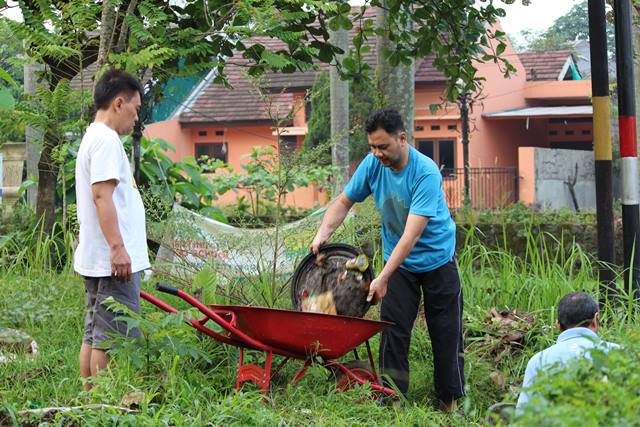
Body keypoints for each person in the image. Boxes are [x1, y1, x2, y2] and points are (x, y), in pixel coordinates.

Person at [311, 108, 464, 411]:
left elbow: (411, 235)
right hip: (401, 264)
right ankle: (391, 397)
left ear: (402, 138)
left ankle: (449, 401)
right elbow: (344, 202)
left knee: (445, 331)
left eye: (383, 146)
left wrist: (382, 278)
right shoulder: (372, 165)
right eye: (372, 147)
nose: (377, 153)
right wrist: (322, 235)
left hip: (437, 260)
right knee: (393, 330)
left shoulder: (426, 172)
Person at [74, 68, 150, 390]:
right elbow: (102, 196)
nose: (136, 119)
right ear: (119, 103)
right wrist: (119, 248)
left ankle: (89, 403)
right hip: (112, 260)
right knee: (110, 337)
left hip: (100, 258)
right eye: (135, 109)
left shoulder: (94, 136)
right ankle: (103, 406)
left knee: (95, 332)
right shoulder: (105, 140)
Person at [516, 291, 618, 410]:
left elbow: (524, 415)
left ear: (558, 325)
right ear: (596, 319)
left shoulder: (538, 361)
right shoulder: (619, 353)